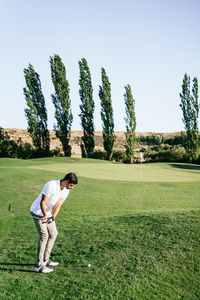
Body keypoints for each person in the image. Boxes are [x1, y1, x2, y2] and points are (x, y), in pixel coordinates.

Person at [30, 173, 78, 273]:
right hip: (37, 211)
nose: (72, 188)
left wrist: (53, 217)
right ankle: (39, 266)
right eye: (71, 185)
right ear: (67, 181)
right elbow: (43, 202)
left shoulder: (66, 190)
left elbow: (59, 204)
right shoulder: (51, 185)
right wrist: (45, 215)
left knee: (53, 233)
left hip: (48, 213)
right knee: (44, 236)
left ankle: (46, 260)